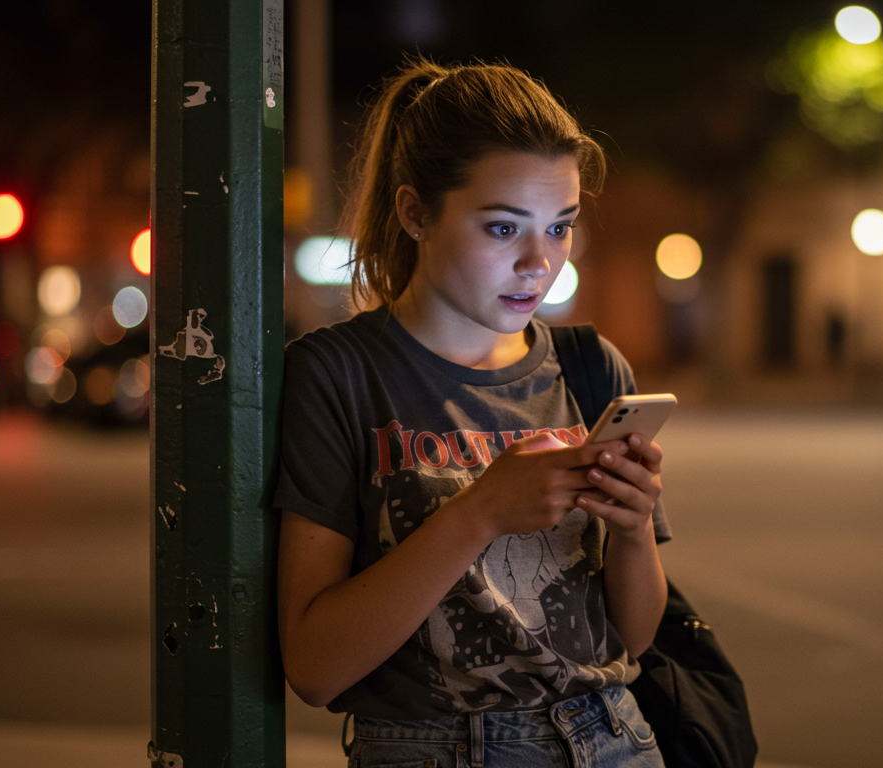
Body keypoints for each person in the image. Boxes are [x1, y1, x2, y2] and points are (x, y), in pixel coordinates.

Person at [273, 58, 671, 768]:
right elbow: (314, 665)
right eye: (502, 229)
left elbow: (633, 641)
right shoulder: (338, 374)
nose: (538, 263)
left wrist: (634, 528)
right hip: (440, 750)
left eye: (560, 227)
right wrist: (480, 512)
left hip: (613, 738)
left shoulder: (590, 366)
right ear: (414, 212)